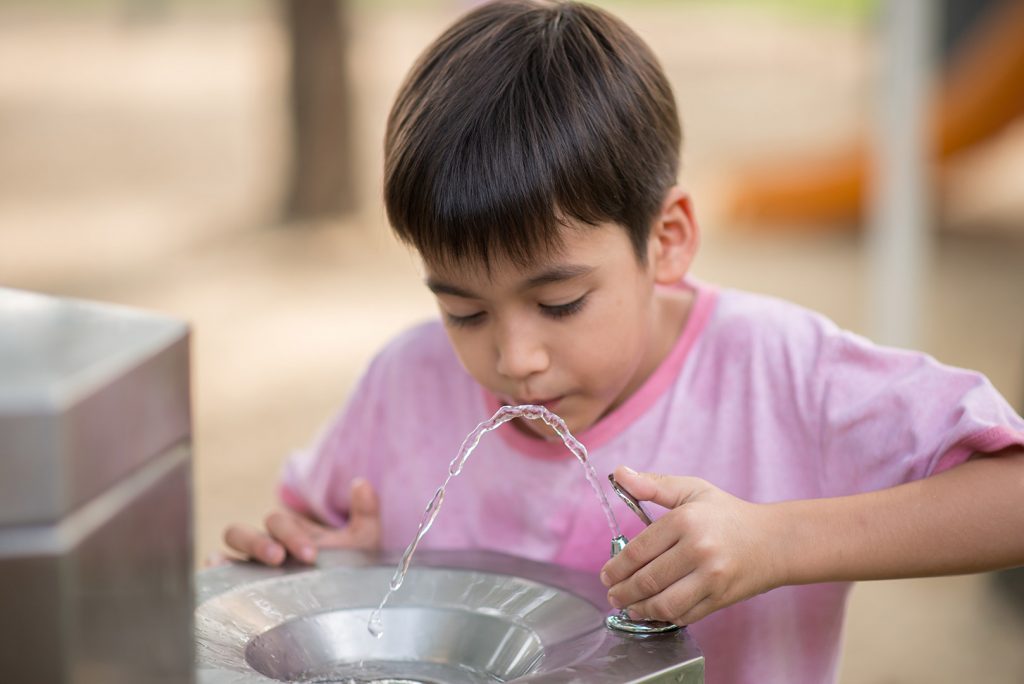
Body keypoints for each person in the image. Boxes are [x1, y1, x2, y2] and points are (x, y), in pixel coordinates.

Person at [223, 2, 1024, 682]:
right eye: (465, 312)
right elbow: (307, 533)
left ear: (667, 239)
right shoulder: (407, 382)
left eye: (561, 301)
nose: (514, 359)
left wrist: (779, 542)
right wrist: (331, 569)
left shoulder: (778, 372)